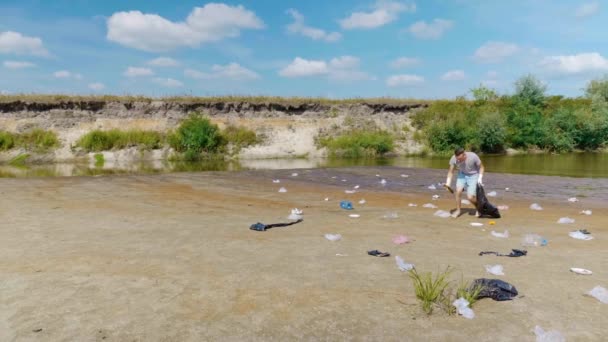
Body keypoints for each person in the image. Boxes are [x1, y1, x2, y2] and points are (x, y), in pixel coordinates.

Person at [445, 147, 484, 218]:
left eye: (460, 159)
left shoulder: (473, 156)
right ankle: (458, 210)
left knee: (470, 197)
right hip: (462, 174)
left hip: (473, 175)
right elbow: (451, 171)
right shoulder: (454, 158)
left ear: (464, 154)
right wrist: (448, 183)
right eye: (457, 159)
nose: (458, 160)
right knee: (458, 191)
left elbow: (481, 167)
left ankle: (479, 208)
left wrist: (480, 178)